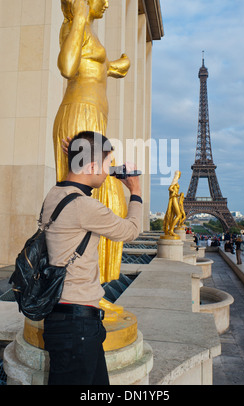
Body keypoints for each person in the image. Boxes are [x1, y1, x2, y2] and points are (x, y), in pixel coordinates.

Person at [41, 131, 142, 385]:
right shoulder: (83, 207)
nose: (109, 173)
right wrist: (136, 192)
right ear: (93, 165)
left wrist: (80, 157)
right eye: (107, 165)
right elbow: (131, 231)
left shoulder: (55, 195)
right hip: (77, 327)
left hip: (66, 320)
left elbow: (81, 193)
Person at [53, 0, 131, 288]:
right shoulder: (76, 26)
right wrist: (80, 16)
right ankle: (80, 285)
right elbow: (67, 66)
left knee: (101, 202)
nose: (108, 3)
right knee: (96, 203)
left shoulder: (89, 35)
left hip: (93, 119)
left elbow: (97, 67)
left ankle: (93, 285)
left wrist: (116, 66)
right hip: (79, 117)